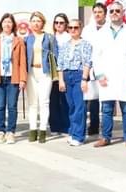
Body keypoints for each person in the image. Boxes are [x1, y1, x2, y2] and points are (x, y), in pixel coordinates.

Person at [91, 2, 126, 148]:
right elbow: (96, 56)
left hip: (125, 76)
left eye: (117, 10)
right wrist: (99, 74)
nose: (114, 13)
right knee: (106, 109)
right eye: (111, 11)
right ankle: (105, 137)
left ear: (123, 12)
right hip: (107, 76)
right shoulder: (101, 33)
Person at [0, 13, 26, 144]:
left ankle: (11, 131)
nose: (7, 24)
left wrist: (23, 79)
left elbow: (22, 61)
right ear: (1, 24)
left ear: (13, 25)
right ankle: (1, 130)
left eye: (9, 22)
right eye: (5, 22)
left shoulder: (18, 40)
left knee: (12, 106)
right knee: (0, 105)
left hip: (13, 77)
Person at [24, 11, 58, 143]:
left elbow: (56, 55)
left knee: (44, 102)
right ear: (30, 23)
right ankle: (33, 130)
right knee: (32, 103)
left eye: (38, 21)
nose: (36, 23)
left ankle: (43, 130)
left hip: (45, 72)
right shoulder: (27, 39)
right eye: (33, 21)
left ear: (42, 23)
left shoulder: (49, 38)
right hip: (31, 72)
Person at [57, 18, 91, 147]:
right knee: (70, 105)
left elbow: (87, 62)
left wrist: (84, 79)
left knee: (79, 106)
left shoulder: (85, 44)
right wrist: (61, 80)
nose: (73, 30)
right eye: (70, 28)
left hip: (78, 74)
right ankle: (72, 131)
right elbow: (60, 63)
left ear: (80, 29)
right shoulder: (65, 45)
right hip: (66, 75)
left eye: (75, 28)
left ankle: (79, 136)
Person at [82, 2, 107, 135]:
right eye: (95, 12)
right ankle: (93, 125)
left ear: (105, 14)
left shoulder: (109, 28)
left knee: (105, 99)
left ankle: (106, 127)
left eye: (100, 12)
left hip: (105, 67)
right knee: (92, 99)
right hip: (91, 67)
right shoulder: (87, 29)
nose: (97, 14)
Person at [48, 12, 71, 136]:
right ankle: (55, 126)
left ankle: (66, 126)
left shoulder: (69, 37)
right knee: (53, 100)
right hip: (53, 73)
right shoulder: (50, 38)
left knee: (66, 100)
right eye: (56, 22)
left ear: (66, 24)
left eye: (61, 22)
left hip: (67, 72)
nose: (58, 25)